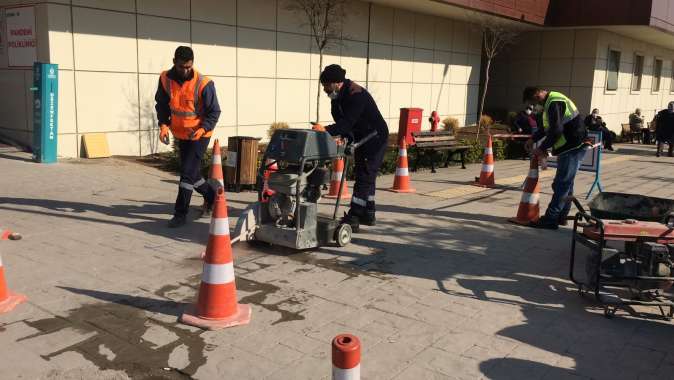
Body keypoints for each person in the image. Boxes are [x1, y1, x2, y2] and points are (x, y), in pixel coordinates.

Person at [312, 64, 389, 232]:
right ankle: (368, 213)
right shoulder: (337, 98)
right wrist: (343, 136)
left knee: (364, 176)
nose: (324, 89)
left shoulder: (356, 94)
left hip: (375, 136)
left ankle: (354, 216)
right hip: (362, 137)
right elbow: (344, 125)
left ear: (336, 83)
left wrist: (326, 130)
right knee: (366, 174)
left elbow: (347, 122)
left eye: (326, 85)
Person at [155, 46, 221, 228]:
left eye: (189, 67)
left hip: (200, 134)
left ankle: (180, 213)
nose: (185, 70)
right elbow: (161, 104)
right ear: (174, 61)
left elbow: (214, 111)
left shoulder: (203, 83)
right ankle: (214, 197)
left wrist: (203, 128)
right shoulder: (165, 79)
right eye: (182, 66)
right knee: (192, 173)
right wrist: (163, 125)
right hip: (181, 133)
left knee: (186, 175)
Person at [523, 87, 588, 230]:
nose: (534, 105)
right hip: (570, 146)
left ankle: (551, 219)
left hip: (572, 146)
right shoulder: (549, 104)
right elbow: (548, 128)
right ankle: (562, 216)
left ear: (537, 94)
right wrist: (533, 138)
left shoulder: (554, 102)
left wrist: (542, 148)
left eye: (534, 101)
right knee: (566, 184)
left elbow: (557, 130)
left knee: (561, 184)